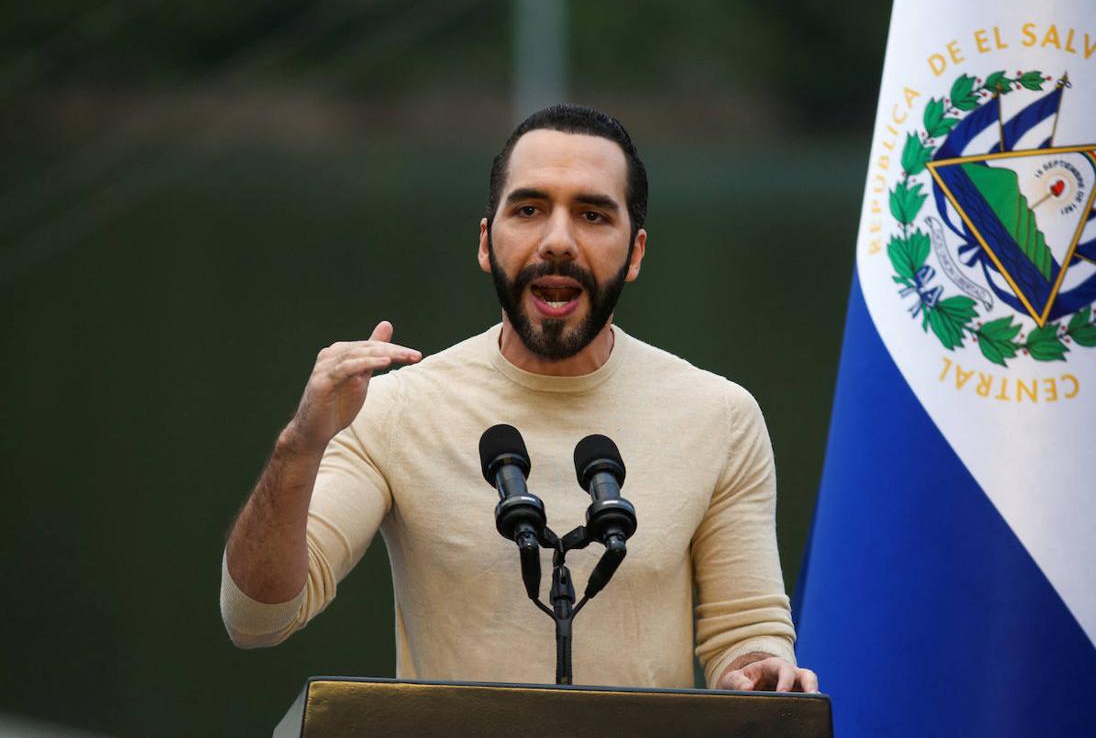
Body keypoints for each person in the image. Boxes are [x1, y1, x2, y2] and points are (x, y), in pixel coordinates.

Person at [221, 104, 818, 694]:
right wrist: (298, 445)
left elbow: (747, 632)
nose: (558, 241)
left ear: (635, 253)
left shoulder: (720, 416)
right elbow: (257, 620)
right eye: (529, 209)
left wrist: (760, 669)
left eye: (592, 215)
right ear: (487, 242)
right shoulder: (390, 409)